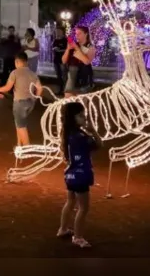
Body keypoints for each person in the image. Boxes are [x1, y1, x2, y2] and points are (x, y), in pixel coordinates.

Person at [57, 101, 102, 249]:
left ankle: (63, 229)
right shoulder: (81, 136)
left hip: (70, 173)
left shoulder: (67, 133)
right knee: (83, 208)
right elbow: (99, 145)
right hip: (81, 174)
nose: (85, 119)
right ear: (73, 118)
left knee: (70, 201)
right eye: (81, 116)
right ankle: (78, 237)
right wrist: (93, 131)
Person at [0, 51, 42, 146]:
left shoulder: (15, 73)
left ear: (17, 62)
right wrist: (35, 98)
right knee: (19, 124)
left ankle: (26, 147)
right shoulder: (33, 74)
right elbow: (40, 88)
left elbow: (7, 88)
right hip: (30, 102)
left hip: (19, 102)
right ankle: (19, 145)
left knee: (21, 126)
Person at [63, 26, 96, 96]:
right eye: (76, 34)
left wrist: (77, 48)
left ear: (86, 34)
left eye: (79, 33)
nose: (77, 36)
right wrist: (68, 49)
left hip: (83, 76)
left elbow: (87, 62)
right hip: (71, 75)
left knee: (81, 100)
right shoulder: (73, 45)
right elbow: (63, 61)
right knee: (68, 97)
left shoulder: (90, 47)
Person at [52, 27, 68, 93]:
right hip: (56, 60)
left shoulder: (66, 40)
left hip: (63, 60)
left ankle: (66, 90)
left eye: (59, 31)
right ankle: (60, 89)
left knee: (64, 75)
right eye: (57, 31)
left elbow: (69, 49)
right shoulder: (55, 40)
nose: (58, 33)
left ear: (62, 32)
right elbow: (53, 48)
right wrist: (54, 49)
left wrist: (60, 50)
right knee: (58, 75)